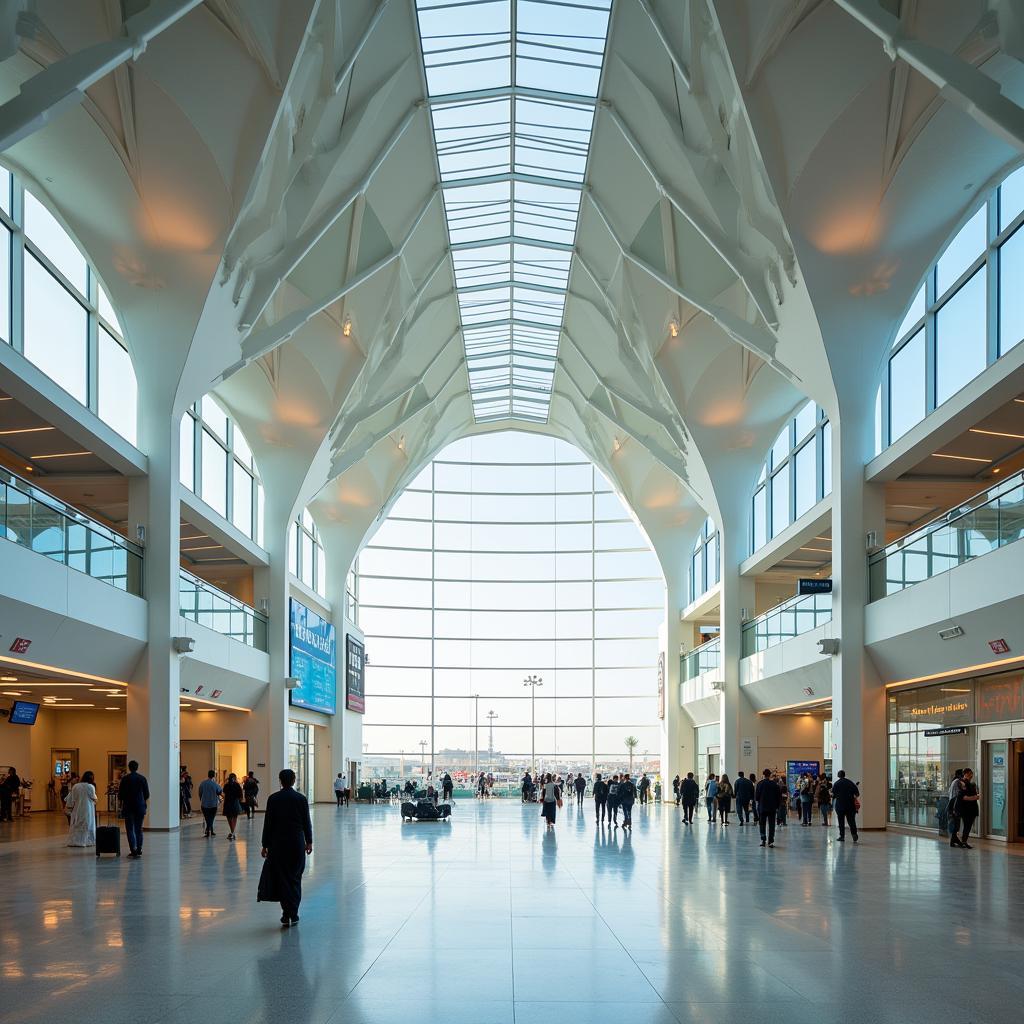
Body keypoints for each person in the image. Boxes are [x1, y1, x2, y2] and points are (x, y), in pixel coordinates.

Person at [259, 769, 313, 926]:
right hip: (296, 843)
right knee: (295, 878)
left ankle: (285, 914)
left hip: (278, 844)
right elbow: (306, 822)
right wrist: (309, 841)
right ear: (294, 780)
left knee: (282, 878)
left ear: (280, 781)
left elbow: (268, 823)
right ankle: (293, 913)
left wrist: (265, 844)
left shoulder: (273, 799)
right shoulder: (301, 799)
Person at [117, 760, 150, 859]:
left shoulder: (125, 779)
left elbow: (120, 795)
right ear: (137, 767)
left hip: (128, 807)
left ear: (129, 767)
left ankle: (133, 850)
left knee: (130, 829)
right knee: (138, 829)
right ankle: (139, 849)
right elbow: (147, 794)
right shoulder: (142, 779)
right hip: (140, 807)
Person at [65, 771, 98, 847]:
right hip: (88, 810)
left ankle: (76, 841)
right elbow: (95, 799)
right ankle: (87, 841)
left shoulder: (76, 786)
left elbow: (70, 801)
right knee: (88, 825)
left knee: (77, 824)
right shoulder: (90, 787)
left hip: (77, 809)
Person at [952, 768, 980, 848]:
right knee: (966, 825)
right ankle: (963, 841)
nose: (971, 775)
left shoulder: (970, 784)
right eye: (970, 774)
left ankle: (963, 841)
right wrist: (975, 797)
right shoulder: (961, 783)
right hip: (966, 808)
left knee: (968, 826)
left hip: (971, 808)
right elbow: (963, 797)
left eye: (972, 774)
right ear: (965, 774)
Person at [755, 768, 781, 848]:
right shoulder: (775, 784)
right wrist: (777, 806)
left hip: (762, 807)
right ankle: (771, 841)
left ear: (763, 775)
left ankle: (763, 840)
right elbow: (778, 797)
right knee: (772, 825)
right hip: (772, 808)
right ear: (770, 775)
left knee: (762, 824)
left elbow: (757, 797)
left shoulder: (760, 784)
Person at [832, 770, 860, 843]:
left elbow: (833, 795)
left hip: (840, 805)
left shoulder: (836, 784)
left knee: (841, 821)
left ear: (838, 775)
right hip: (850, 805)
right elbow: (857, 794)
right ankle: (854, 834)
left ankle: (842, 836)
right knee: (851, 821)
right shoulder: (850, 783)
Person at [198, 770, 222, 838]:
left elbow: (200, 793)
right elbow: (220, 791)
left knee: (207, 818)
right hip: (213, 804)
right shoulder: (215, 784)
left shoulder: (203, 783)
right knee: (211, 818)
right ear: (214, 776)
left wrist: (201, 800)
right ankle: (209, 830)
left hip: (205, 804)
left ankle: (209, 830)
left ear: (208, 775)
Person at [946, 769, 965, 844]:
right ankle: (953, 840)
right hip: (955, 805)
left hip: (953, 804)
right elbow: (958, 794)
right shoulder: (957, 781)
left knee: (956, 824)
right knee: (956, 824)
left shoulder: (954, 781)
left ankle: (954, 840)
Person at [222, 772, 243, 840]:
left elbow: (224, 792)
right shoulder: (237, 785)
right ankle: (232, 832)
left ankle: (232, 832)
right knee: (234, 818)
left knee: (229, 818)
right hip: (235, 803)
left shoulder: (226, 785)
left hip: (228, 803)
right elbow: (240, 795)